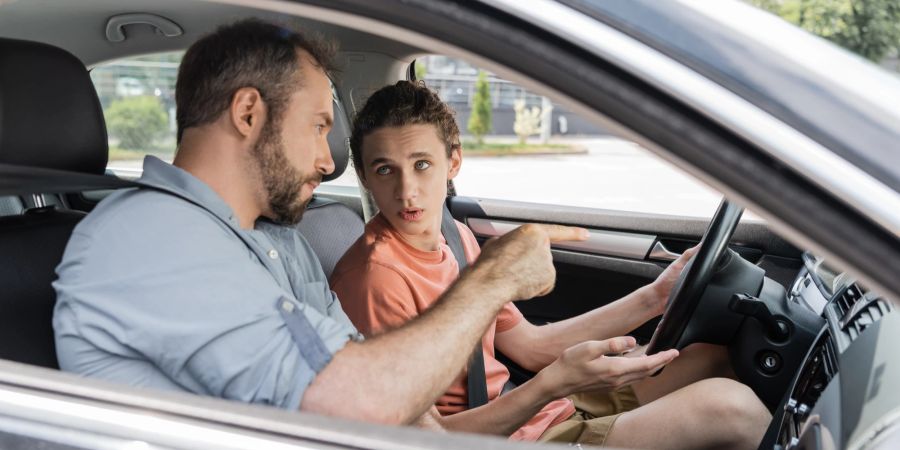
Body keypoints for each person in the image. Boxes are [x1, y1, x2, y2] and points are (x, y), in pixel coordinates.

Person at [51, 18, 680, 428]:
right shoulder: (147, 238)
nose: (329, 162)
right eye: (319, 126)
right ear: (249, 113)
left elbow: (400, 411)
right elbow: (359, 406)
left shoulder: (274, 242)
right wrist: (490, 281)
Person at [330, 80, 772, 448]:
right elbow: (424, 438)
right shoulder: (377, 277)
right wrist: (554, 383)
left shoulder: (455, 235)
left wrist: (656, 297)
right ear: (366, 177)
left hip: (535, 409)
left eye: (422, 165)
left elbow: (530, 345)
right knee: (731, 408)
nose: (407, 192)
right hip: (499, 436)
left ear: (453, 162)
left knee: (712, 359)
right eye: (385, 170)